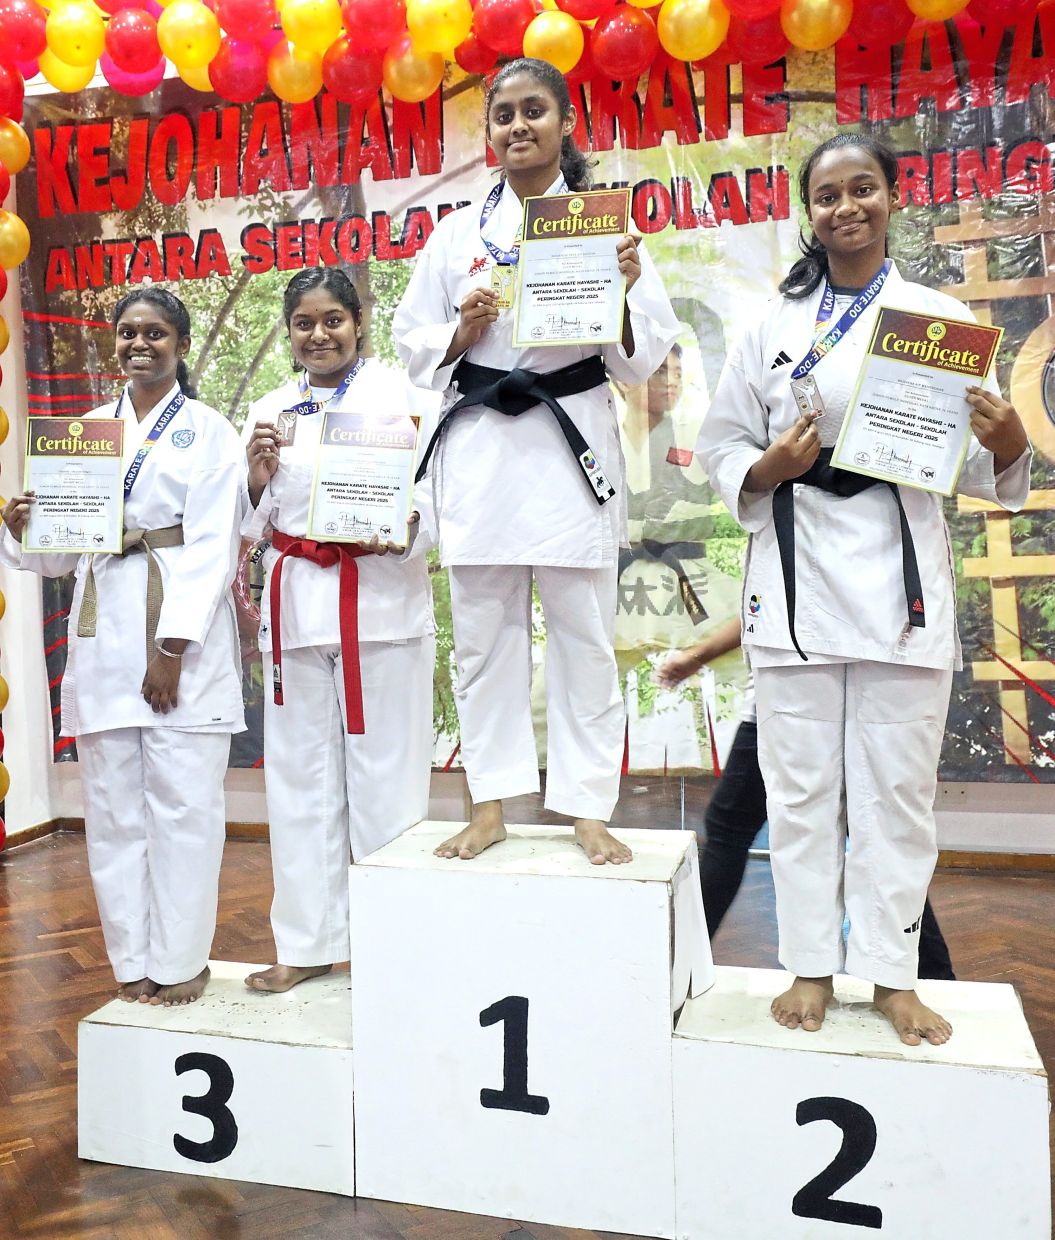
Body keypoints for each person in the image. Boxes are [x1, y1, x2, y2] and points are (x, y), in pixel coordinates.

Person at [697, 133, 1031, 1046]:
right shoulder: (769, 327)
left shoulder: (937, 320)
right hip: (796, 586)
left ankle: (889, 974)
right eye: (827, 195)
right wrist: (763, 466)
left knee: (893, 796)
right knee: (799, 792)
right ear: (807, 212)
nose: (846, 208)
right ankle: (808, 963)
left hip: (899, 584)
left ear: (891, 197)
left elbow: (982, 465)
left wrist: (1005, 444)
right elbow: (718, 448)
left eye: (863, 190)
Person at [392, 56, 680, 866]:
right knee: (483, 638)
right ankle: (490, 804)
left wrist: (622, 287)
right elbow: (410, 339)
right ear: (488, 134)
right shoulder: (454, 234)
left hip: (569, 440)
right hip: (482, 444)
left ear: (564, 125)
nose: (518, 126)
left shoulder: (604, 225)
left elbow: (641, 355)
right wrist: (460, 331)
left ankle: (588, 806)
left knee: (583, 635)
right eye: (504, 115)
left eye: (534, 112)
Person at [1, 288, 246, 1006]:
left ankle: (181, 961)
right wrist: (24, 528)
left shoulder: (208, 431)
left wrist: (170, 648)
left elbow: (211, 549)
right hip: (103, 628)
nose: (140, 345)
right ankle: (131, 960)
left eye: (156, 334)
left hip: (176, 632)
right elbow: (57, 561)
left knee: (184, 809)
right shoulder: (86, 432)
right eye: (128, 333)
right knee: (112, 815)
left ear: (181, 343)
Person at [242, 267, 436, 994]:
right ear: (288, 332)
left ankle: (394, 952)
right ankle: (307, 943)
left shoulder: (403, 398)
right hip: (297, 611)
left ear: (359, 321)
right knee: (299, 785)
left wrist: (412, 522)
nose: (318, 334)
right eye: (303, 323)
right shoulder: (268, 407)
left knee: (387, 785)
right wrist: (257, 477)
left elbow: (434, 492)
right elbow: (245, 520)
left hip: (380, 605)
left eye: (332, 319)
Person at [658, 620, 956, 981]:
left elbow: (765, 602)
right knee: (877, 838)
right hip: (824, 696)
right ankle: (929, 976)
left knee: (731, 832)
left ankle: (680, 968)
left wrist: (696, 657)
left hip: (792, 702)